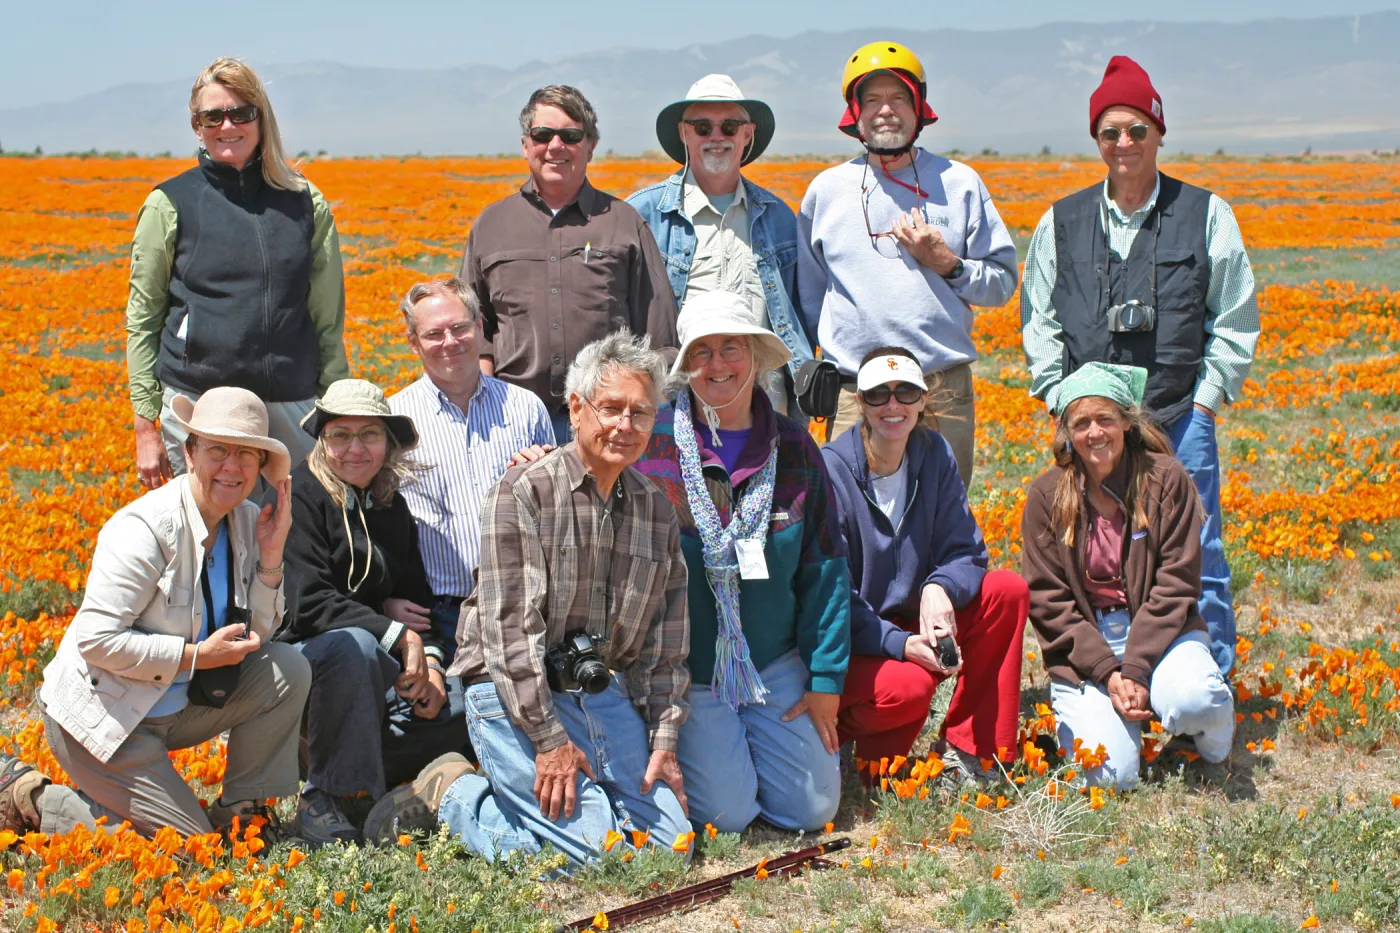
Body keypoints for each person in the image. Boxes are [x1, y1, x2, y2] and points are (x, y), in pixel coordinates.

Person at [363, 332, 691, 869]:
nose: (625, 426)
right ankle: (453, 796)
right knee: (594, 855)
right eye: (611, 408)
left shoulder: (656, 510)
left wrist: (664, 739)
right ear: (577, 407)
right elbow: (509, 633)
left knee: (671, 850)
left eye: (640, 412)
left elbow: (665, 645)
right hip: (511, 686)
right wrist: (548, 740)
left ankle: (564, 812)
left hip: (596, 689)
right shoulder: (523, 492)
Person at [1020, 56, 1259, 675]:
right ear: (1097, 139)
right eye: (1110, 132)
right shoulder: (1060, 221)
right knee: (1090, 549)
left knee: (1197, 550)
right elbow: (1038, 319)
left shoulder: (1207, 213)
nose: (1123, 143)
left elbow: (1233, 317)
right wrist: (1058, 398)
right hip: (1092, 424)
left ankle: (1210, 681)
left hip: (1179, 414)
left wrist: (1206, 403)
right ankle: (1111, 677)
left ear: (1158, 131)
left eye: (1136, 129)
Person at [0, 388, 309, 839]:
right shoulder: (145, 529)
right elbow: (97, 641)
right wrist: (196, 656)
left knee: (288, 668)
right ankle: (37, 798)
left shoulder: (245, 521)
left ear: (261, 467)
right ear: (189, 451)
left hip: (176, 706)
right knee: (189, 848)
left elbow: (259, 633)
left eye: (247, 454)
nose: (231, 465)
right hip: (104, 718)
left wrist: (271, 553)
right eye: (218, 449)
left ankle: (242, 815)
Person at [632, 291, 850, 834]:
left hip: (774, 664)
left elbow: (825, 569)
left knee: (812, 811)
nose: (718, 365)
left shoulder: (795, 448)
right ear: (686, 367)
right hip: (690, 672)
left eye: (732, 348)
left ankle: (755, 750)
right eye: (702, 352)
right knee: (728, 817)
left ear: (755, 357)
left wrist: (825, 680)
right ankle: (723, 754)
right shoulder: (651, 444)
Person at [798, 41, 1018, 486]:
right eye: (872, 99)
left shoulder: (959, 184)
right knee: (847, 522)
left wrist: (948, 264)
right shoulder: (827, 191)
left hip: (941, 388)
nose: (886, 110)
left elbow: (1001, 284)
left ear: (919, 108)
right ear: (854, 113)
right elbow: (809, 298)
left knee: (942, 520)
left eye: (898, 98)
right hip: (854, 393)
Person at [126, 57, 349, 490]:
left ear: (261, 118)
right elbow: (143, 318)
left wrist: (336, 408)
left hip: (291, 401)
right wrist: (145, 425)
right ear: (196, 125)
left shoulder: (306, 202)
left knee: (293, 535)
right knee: (208, 543)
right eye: (212, 116)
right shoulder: (169, 203)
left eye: (241, 112)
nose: (227, 125)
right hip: (200, 404)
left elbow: (327, 317)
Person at [1020, 363, 1234, 789]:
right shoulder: (1046, 495)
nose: (1095, 432)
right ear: (1066, 432)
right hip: (1088, 646)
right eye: (1081, 423)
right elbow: (1049, 600)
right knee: (1110, 777)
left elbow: (1176, 584)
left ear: (1126, 422)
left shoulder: (1165, 478)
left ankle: (1214, 740)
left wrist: (1135, 667)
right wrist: (1108, 670)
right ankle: (1130, 718)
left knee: (1195, 700)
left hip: (1163, 631)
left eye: (1106, 419)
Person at [276, 379, 470, 845]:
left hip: (374, 671)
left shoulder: (391, 505)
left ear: (388, 442)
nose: (354, 448)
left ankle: (378, 780)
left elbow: (418, 600)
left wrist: (435, 669)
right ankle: (324, 795)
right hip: (308, 662)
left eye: (369, 435)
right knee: (355, 646)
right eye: (339, 435)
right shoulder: (300, 495)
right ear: (321, 439)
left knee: (468, 699)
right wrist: (396, 634)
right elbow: (306, 602)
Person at [822, 348, 1029, 775]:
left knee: (1006, 590)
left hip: (917, 622)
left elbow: (966, 551)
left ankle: (972, 752)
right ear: (859, 401)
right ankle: (836, 739)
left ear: (922, 400)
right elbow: (832, 595)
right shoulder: (832, 469)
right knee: (910, 689)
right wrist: (898, 644)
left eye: (905, 392)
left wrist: (939, 587)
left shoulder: (934, 453)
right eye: (878, 394)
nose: (892, 405)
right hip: (859, 639)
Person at [459, 84, 678, 442]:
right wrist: (482, 393)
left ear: (590, 146)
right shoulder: (491, 225)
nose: (556, 146)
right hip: (511, 420)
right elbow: (471, 321)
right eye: (543, 134)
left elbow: (659, 333)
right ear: (526, 145)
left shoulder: (624, 223)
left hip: (605, 420)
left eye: (571, 135)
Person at [627, 74, 813, 415]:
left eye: (729, 127)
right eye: (702, 127)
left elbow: (802, 310)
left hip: (764, 410)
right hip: (676, 406)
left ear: (747, 134)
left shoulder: (779, 218)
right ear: (684, 133)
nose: (716, 137)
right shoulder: (643, 215)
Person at [387, 278, 555, 650]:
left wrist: (543, 476)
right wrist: (382, 601)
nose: (450, 342)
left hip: (521, 608)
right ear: (413, 342)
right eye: (433, 334)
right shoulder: (394, 420)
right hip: (438, 614)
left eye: (460, 327)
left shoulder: (525, 409)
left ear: (480, 329)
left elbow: (561, 510)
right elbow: (378, 525)